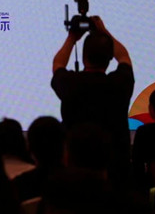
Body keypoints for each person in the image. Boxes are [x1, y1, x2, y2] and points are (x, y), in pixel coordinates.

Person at [51, 15, 133, 186]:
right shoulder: (119, 84)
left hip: (75, 174)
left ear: (83, 57)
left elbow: (58, 64)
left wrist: (72, 38)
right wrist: (104, 31)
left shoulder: (71, 84)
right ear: (109, 58)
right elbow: (124, 57)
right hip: (116, 176)